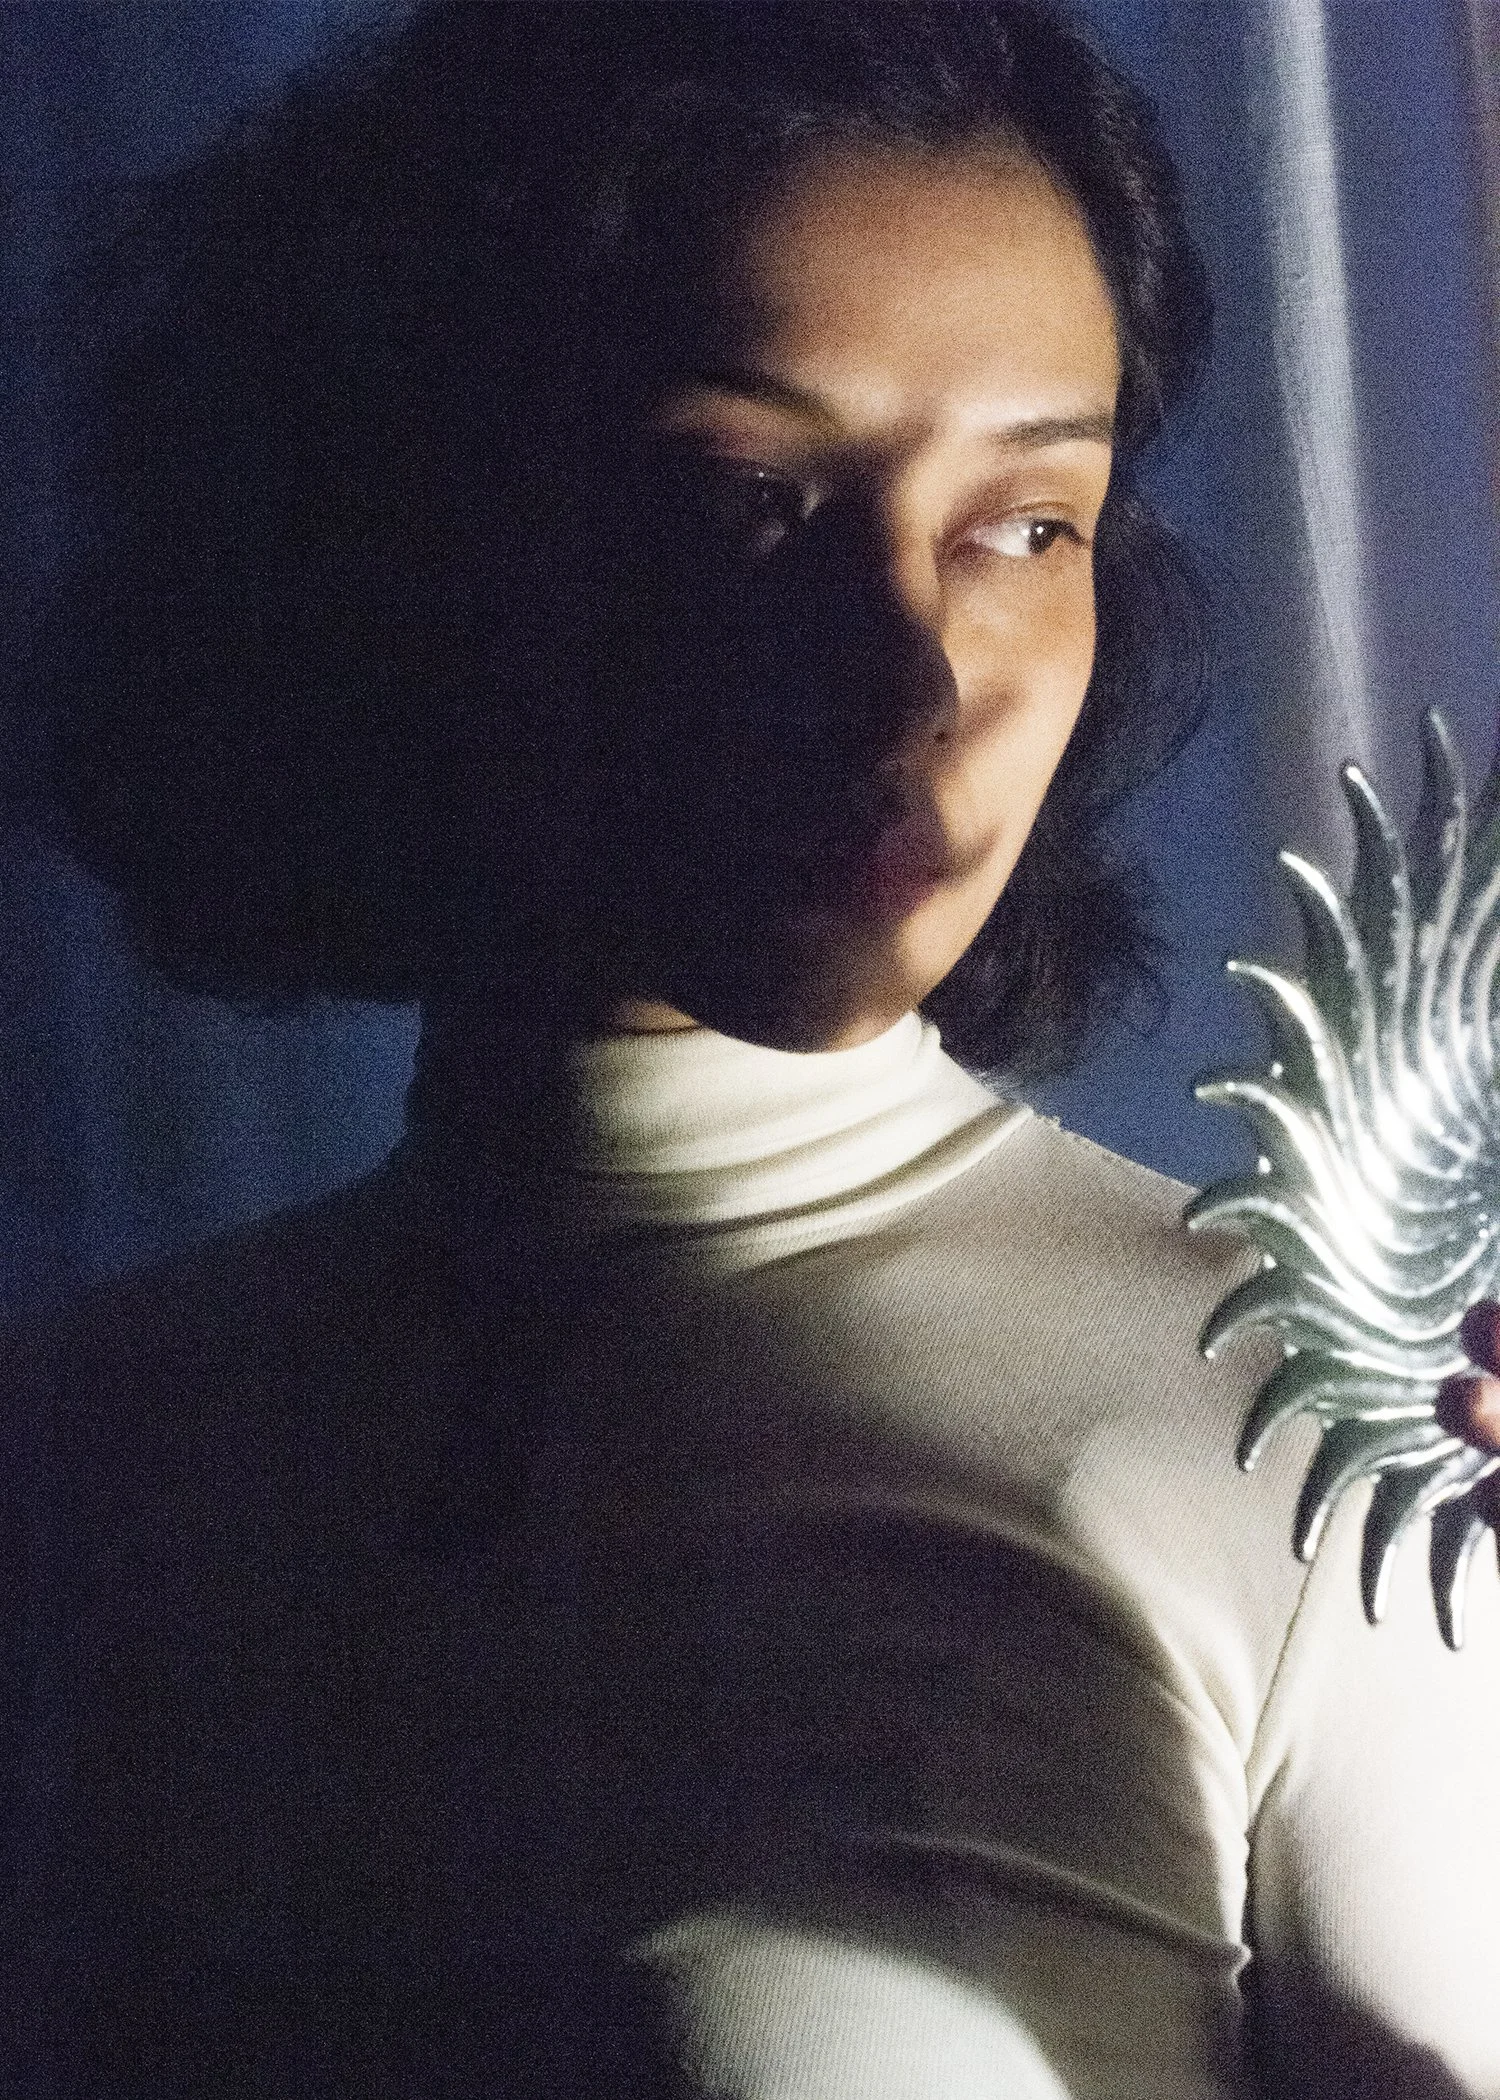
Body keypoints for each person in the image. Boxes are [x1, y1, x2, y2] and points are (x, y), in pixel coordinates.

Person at [9, 4, 1500, 2094]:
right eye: (749, 502)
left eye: (1029, 521)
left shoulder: (1322, 1463)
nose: (914, 674)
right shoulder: (82, 1453)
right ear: (421, 533)